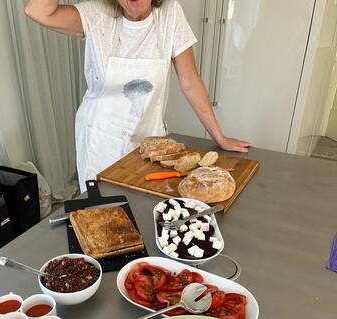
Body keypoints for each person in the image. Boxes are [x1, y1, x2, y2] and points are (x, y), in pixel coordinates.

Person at [25, 0, 252, 191]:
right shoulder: (96, 13)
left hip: (150, 143)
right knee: (105, 213)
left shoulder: (170, 13)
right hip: (101, 142)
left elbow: (190, 81)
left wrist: (219, 137)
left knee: (146, 207)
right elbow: (36, 10)